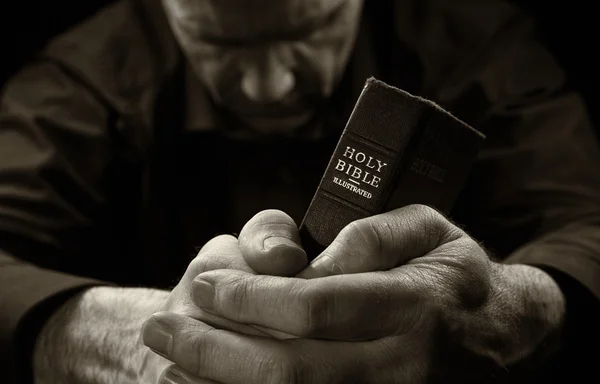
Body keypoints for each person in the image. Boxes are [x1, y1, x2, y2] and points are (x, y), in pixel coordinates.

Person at [1, 0, 599, 382]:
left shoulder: (476, 44)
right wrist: (137, 340)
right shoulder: (85, 77)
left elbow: (587, 225)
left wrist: (506, 311)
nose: (270, 85)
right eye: (222, 46)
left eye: (308, 30)